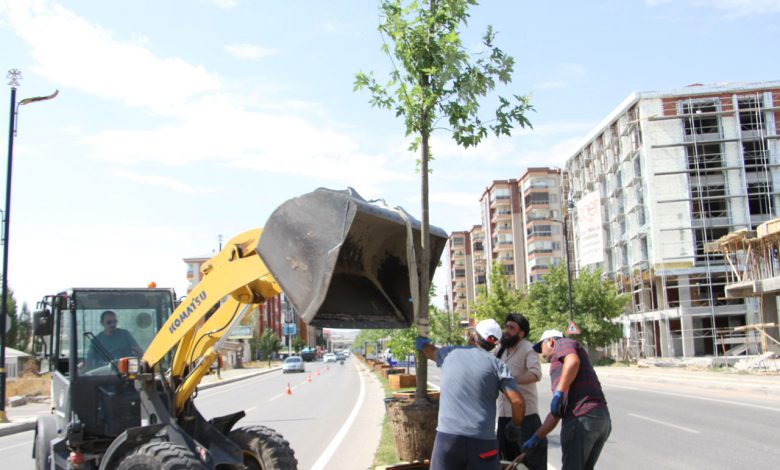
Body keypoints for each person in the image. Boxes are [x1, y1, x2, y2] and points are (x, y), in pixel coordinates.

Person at [416, 319, 526, 470]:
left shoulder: (450, 353)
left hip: (448, 440)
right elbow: (518, 402)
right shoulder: (498, 366)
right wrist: (515, 425)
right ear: (494, 344)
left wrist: (422, 343)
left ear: (473, 336)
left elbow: (429, 351)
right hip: (483, 443)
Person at [521, 330, 611, 470]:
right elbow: (557, 412)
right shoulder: (562, 367)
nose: (542, 354)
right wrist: (537, 437)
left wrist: (559, 393)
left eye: (541, 348)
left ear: (550, 342)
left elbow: (573, 361)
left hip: (582, 418)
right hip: (600, 420)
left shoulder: (562, 343)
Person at [495, 313, 546, 470]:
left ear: (521, 333)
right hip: (504, 417)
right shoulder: (500, 350)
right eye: (507, 326)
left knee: (529, 463)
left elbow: (535, 373)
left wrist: (511, 382)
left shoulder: (527, 348)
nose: (507, 330)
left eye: (512, 327)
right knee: (507, 463)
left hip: (525, 417)